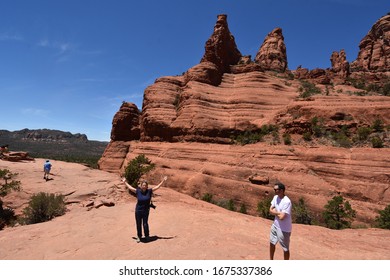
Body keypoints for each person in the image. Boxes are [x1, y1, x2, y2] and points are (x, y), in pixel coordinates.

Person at [122, 175, 168, 243]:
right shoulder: (137, 191)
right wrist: (125, 182)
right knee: (138, 223)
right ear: (141, 186)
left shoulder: (149, 191)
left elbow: (157, 187)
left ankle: (147, 236)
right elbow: (130, 188)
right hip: (138, 210)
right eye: (143, 185)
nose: (144, 186)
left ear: (147, 186)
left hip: (146, 210)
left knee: (145, 223)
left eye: (145, 185)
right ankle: (139, 236)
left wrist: (163, 181)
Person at [269, 182, 292, 260]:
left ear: (282, 190)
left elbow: (282, 217)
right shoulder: (275, 197)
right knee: (272, 243)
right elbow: (270, 210)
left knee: (285, 249)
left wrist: (275, 212)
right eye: (274, 189)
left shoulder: (287, 201)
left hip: (284, 229)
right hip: (275, 225)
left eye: (276, 189)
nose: (274, 191)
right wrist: (278, 213)